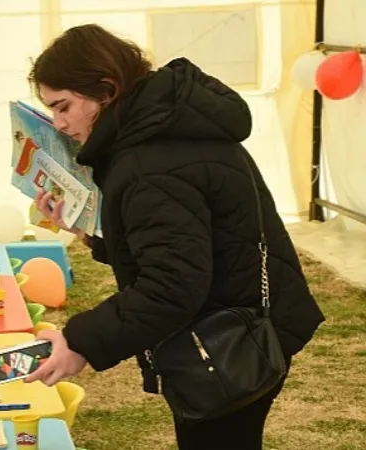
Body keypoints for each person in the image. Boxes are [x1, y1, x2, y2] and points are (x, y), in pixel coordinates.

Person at [23, 24, 325, 450]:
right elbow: (184, 242)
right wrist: (92, 234)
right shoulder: (166, 129)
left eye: (64, 107)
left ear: (106, 91)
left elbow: (171, 285)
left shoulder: (151, 160)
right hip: (238, 326)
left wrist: (79, 342)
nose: (59, 124)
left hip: (225, 340)